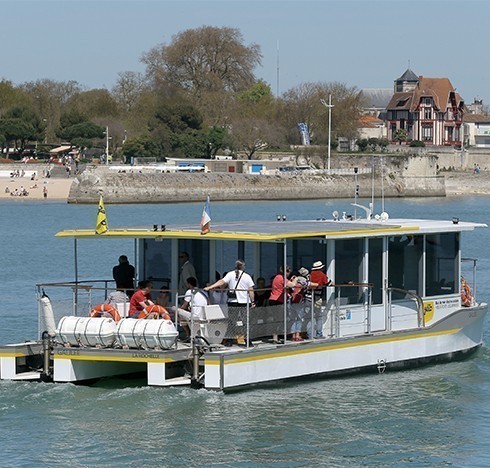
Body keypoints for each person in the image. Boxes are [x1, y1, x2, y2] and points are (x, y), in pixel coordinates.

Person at [309, 261, 331, 339]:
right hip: (318, 297)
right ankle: (319, 334)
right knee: (319, 316)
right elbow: (328, 283)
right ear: (321, 268)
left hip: (309, 297)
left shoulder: (310, 275)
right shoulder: (322, 275)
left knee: (310, 316)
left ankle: (310, 334)